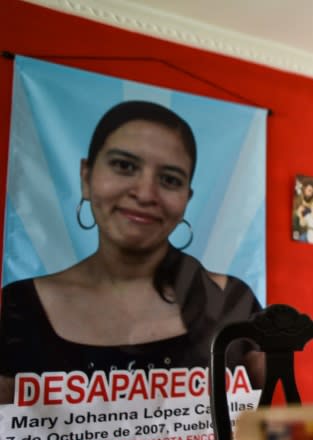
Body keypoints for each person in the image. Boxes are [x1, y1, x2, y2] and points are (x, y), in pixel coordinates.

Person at [0, 100, 263, 404]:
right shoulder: (20, 307)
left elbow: (264, 427)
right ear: (86, 177)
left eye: (169, 180)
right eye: (124, 166)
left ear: (186, 198)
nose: (145, 194)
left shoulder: (234, 301)